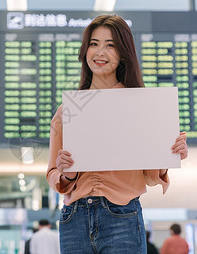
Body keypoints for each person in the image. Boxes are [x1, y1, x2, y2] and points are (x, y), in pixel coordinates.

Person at [46, 14, 189, 253]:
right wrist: (67, 175)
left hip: (121, 217)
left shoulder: (142, 106)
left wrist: (169, 154)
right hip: (74, 220)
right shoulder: (66, 111)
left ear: (123, 53)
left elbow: (151, 175)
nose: (100, 52)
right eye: (94, 43)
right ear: (85, 51)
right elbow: (52, 173)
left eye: (110, 45)